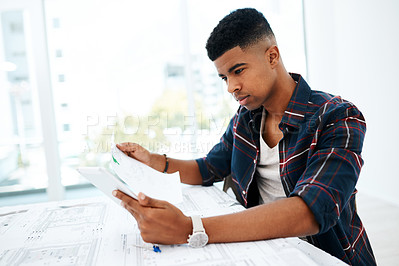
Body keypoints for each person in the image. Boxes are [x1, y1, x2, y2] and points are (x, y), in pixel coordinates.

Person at [113, 8, 376, 265]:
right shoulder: (246, 116)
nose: (231, 87)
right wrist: (153, 160)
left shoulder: (338, 116)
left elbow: (309, 211)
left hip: (324, 256)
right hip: (266, 250)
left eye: (238, 71)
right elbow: (209, 168)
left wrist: (190, 229)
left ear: (272, 56)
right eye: (223, 77)